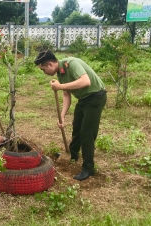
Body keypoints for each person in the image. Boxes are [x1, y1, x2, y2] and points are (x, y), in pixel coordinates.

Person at [34, 50, 107, 181]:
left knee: (87, 133)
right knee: (76, 127)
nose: (44, 73)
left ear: (50, 64)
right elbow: (66, 95)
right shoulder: (60, 73)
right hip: (84, 99)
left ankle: (88, 168)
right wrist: (62, 116)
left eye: (43, 69)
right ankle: (72, 155)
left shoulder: (72, 64)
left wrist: (60, 86)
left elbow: (85, 81)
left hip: (96, 97)